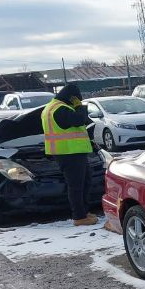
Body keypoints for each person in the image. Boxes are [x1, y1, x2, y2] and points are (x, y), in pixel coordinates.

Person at [41, 84, 97, 226]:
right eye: (76, 99)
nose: (78, 102)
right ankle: (79, 216)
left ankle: (83, 212)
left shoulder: (50, 107)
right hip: (69, 152)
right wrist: (80, 106)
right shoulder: (60, 109)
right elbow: (79, 119)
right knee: (76, 186)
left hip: (71, 152)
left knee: (85, 182)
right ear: (71, 98)